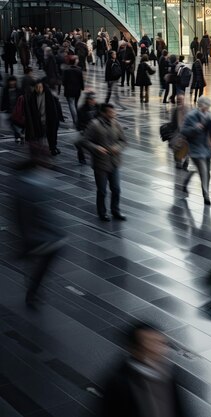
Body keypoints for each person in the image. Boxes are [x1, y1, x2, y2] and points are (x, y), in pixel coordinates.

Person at [101, 323, 189, 416]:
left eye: (161, 343)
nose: (160, 349)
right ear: (135, 350)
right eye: (151, 343)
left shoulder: (169, 372)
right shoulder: (119, 383)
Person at [13, 158, 66, 308]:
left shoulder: (25, 186)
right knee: (39, 266)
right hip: (40, 237)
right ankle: (32, 293)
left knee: (36, 266)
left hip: (39, 236)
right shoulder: (29, 188)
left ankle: (33, 292)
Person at [78, 104, 127, 221]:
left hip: (114, 161)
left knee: (116, 189)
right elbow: (84, 141)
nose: (113, 114)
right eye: (111, 112)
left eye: (114, 112)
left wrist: (117, 147)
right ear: (104, 113)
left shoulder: (116, 124)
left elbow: (123, 141)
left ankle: (116, 210)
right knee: (102, 190)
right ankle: (102, 212)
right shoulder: (94, 125)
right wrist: (96, 148)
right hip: (100, 163)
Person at [180, 96, 211, 205]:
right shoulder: (191, 116)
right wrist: (195, 128)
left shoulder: (209, 115)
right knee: (203, 171)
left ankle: (186, 182)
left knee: (205, 171)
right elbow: (183, 131)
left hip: (206, 148)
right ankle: (206, 195)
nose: (207, 109)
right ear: (200, 105)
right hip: (195, 148)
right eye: (205, 106)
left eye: (208, 107)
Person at [24, 80, 62, 156]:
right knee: (38, 136)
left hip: (49, 119)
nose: (38, 89)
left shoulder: (49, 95)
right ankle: (39, 150)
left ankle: (53, 148)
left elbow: (55, 108)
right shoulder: (32, 97)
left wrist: (57, 118)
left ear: (43, 87)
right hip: (38, 120)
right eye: (37, 87)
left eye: (40, 87)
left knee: (52, 135)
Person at [75, 91, 98, 164]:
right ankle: (81, 158)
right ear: (88, 100)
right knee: (80, 144)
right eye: (92, 99)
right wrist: (81, 129)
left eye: (94, 99)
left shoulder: (97, 107)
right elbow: (79, 121)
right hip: (85, 129)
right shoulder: (82, 109)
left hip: (95, 129)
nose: (94, 100)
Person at [62, 56, 84, 128]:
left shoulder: (66, 70)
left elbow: (63, 81)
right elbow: (81, 80)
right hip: (77, 90)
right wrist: (82, 88)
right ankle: (77, 119)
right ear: (75, 61)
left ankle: (75, 120)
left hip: (69, 89)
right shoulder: (79, 69)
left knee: (71, 104)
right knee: (76, 104)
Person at [1, 75, 24, 142]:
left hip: (18, 110)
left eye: (13, 81)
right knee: (12, 124)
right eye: (11, 81)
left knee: (20, 123)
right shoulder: (6, 90)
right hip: (10, 110)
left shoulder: (18, 90)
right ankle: (17, 136)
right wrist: (2, 108)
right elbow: (3, 99)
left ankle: (21, 133)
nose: (12, 83)